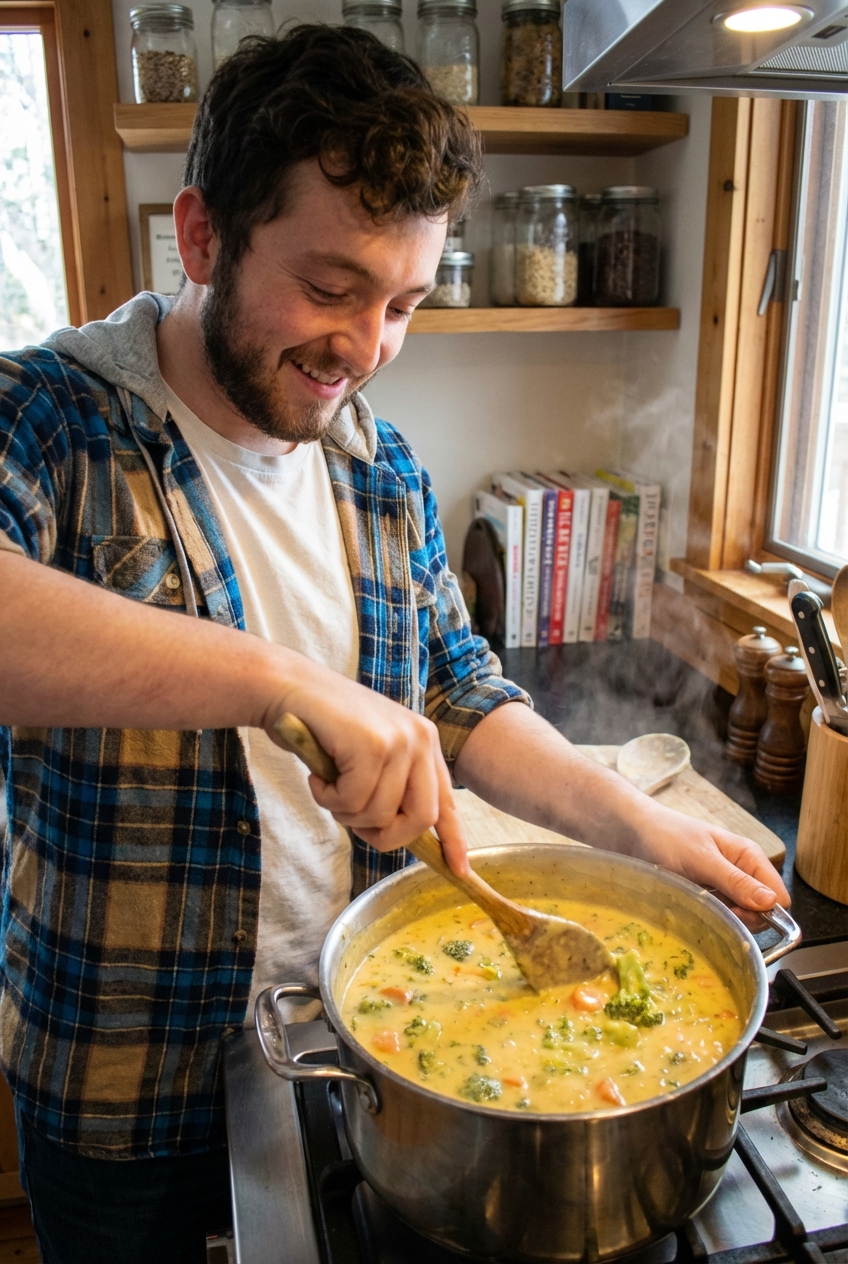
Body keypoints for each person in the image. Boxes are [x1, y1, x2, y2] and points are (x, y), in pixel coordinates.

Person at [0, 24, 788, 1264]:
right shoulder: (52, 421)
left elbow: (457, 689)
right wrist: (280, 678)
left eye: (404, 303)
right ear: (202, 237)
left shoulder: (379, 468)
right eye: (329, 288)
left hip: (350, 1046)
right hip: (121, 1088)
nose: (364, 349)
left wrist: (632, 826)